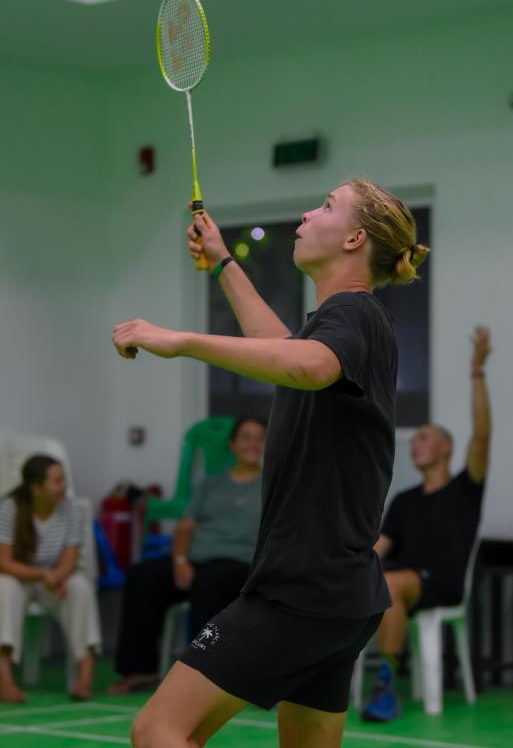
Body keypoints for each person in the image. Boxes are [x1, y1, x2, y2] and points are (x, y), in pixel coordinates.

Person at [112, 177, 429, 748]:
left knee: (158, 729)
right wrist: (222, 262)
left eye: (326, 206)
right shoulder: (346, 324)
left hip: (300, 590)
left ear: (355, 238)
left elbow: (307, 365)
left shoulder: (354, 313)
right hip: (342, 595)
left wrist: (182, 341)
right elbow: (284, 349)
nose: (306, 215)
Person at [362, 326, 492, 722]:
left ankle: (385, 685)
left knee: (390, 585)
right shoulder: (404, 500)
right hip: (404, 582)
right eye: (415, 439)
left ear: (446, 447)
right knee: (367, 580)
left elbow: (482, 436)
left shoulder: (465, 489)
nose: (415, 444)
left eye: (424, 437)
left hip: (442, 584)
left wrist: (477, 372)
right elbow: (380, 547)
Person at [107, 416, 265, 695]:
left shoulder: (271, 486)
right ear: (232, 444)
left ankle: (203, 674)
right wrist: (180, 561)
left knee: (209, 583)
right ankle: (139, 669)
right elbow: (185, 527)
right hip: (193, 561)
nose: (253, 444)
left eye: (259, 438)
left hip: (238, 566)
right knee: (142, 576)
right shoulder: (210, 484)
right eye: (246, 437)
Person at [0, 455, 101, 703]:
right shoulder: (9, 508)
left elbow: (71, 557)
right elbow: (5, 562)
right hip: (20, 578)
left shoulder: (72, 510)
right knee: (5, 588)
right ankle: (5, 682)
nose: (63, 486)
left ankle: (84, 680)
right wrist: (42, 574)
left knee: (81, 588)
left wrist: (57, 576)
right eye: (56, 481)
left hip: (54, 581)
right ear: (35, 487)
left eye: (63, 479)